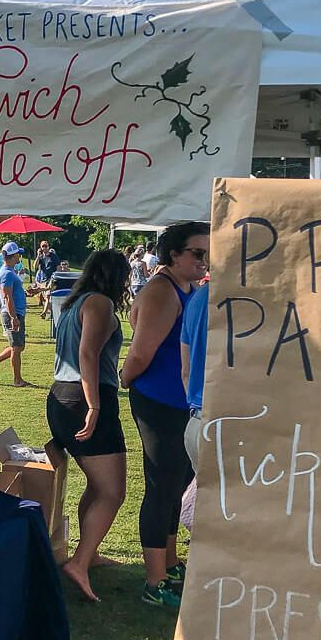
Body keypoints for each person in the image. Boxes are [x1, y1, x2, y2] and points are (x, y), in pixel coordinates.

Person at [120, 221, 209, 608]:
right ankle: (154, 581)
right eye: (198, 253)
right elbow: (141, 353)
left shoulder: (188, 288)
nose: (204, 261)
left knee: (176, 484)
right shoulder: (161, 289)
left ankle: (170, 562)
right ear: (175, 254)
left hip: (180, 404)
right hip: (157, 402)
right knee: (161, 487)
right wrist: (124, 380)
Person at [46, 249, 131, 601]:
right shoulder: (99, 304)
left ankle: (87, 554)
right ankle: (79, 563)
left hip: (61, 396)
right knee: (113, 491)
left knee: (97, 486)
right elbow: (87, 354)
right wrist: (95, 405)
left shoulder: (72, 302)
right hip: (85, 397)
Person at [0, 242, 29, 387]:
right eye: (18, 254)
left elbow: (13, 293)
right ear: (13, 255)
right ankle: (17, 380)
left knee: (19, 346)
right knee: (16, 347)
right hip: (12, 314)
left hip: (16, 313)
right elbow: (7, 297)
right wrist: (14, 317)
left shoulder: (9, 271)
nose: (19, 257)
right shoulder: (7, 273)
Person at [180, 280, 210, 471]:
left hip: (198, 421)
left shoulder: (198, 298)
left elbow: (186, 371)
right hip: (242, 425)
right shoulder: (264, 299)